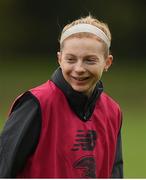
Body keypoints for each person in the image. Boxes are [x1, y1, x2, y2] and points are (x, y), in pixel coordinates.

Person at [0, 15, 123, 178]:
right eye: (71, 59)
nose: (79, 68)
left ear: (107, 62)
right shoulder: (36, 103)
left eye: (90, 60)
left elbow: (115, 172)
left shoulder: (112, 111)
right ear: (59, 59)